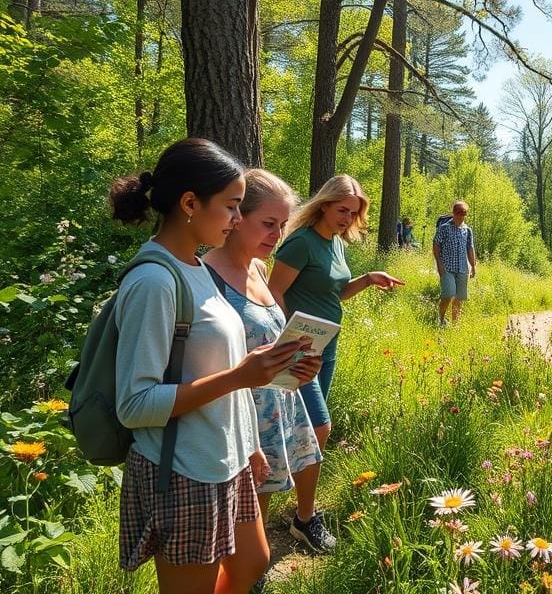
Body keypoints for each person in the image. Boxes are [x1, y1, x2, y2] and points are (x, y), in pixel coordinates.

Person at [111, 138, 309, 594]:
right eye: (232, 206)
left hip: (226, 458)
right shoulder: (154, 281)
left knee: (253, 562)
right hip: (183, 468)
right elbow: (134, 405)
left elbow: (224, 367)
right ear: (189, 204)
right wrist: (241, 376)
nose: (238, 219)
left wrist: (248, 445)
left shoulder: (196, 268)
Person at [202, 169, 335, 556]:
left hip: (277, 403)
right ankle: (247, 574)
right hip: (239, 414)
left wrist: (300, 363)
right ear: (237, 217)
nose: (277, 235)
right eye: (268, 223)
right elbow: (205, 360)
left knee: (263, 502)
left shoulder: (259, 269)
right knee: (246, 518)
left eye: (282, 225)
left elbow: (268, 339)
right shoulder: (205, 276)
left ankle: (261, 561)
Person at [268, 174, 404, 455]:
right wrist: (288, 338)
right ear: (324, 205)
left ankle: (291, 472)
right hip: (301, 348)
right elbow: (274, 291)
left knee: (306, 425)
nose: (348, 218)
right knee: (319, 426)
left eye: (353, 213)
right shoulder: (302, 242)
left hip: (327, 347)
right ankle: (298, 480)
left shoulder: (336, 243)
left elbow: (336, 292)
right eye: (342, 210)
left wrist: (367, 279)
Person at [433, 200, 476, 326]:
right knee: (448, 293)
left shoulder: (467, 230)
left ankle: (455, 325)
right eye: (458, 212)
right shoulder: (444, 228)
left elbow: (470, 248)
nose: (461, 215)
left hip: (462, 268)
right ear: (453, 213)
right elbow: (436, 245)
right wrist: (439, 264)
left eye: (464, 213)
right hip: (446, 267)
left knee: (459, 298)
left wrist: (473, 266)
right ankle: (440, 320)